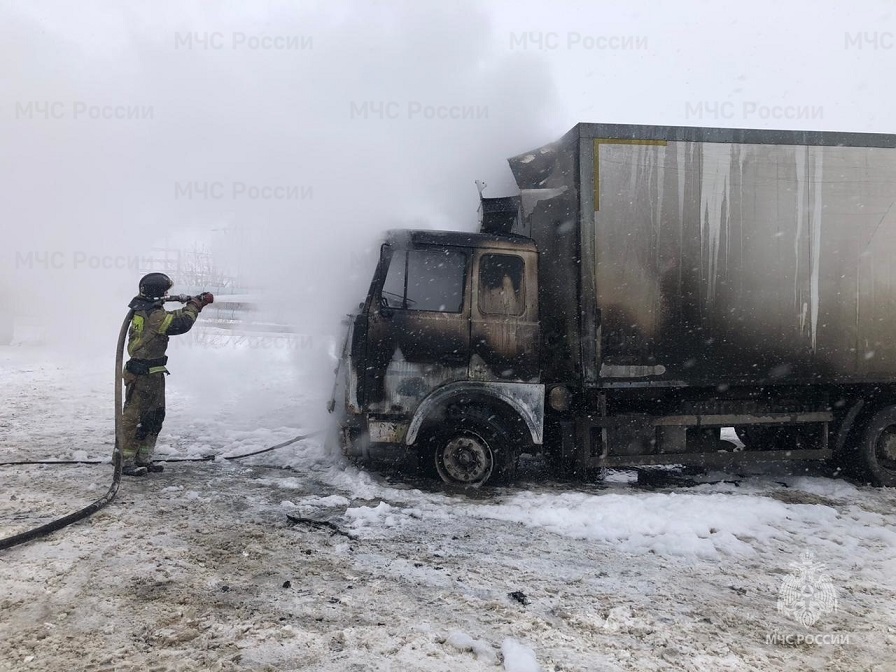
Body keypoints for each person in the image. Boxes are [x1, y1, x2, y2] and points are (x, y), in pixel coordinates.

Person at [120, 273, 213, 476]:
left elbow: (170, 318)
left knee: (154, 417)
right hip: (141, 375)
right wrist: (196, 305)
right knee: (133, 419)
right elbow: (180, 324)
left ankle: (144, 458)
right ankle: (125, 461)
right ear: (156, 292)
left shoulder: (147, 308)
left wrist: (193, 302)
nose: (167, 294)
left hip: (153, 373)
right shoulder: (152, 314)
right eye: (164, 292)